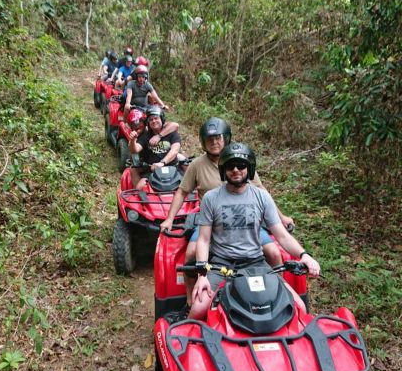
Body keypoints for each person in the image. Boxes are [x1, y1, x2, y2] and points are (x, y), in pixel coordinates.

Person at [160, 118, 295, 303]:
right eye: (210, 139)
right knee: (191, 253)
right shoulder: (197, 165)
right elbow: (182, 191)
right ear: (203, 142)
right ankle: (191, 296)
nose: (215, 143)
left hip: (245, 219)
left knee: (274, 252)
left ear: (226, 139)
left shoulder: (242, 161)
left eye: (218, 138)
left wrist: (282, 217)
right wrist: (169, 218)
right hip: (210, 220)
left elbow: (262, 192)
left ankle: (276, 296)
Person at [190, 143, 320, 319]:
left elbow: (281, 235)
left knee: (299, 308)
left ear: (249, 169)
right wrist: (202, 275)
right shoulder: (211, 198)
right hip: (220, 264)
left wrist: (304, 255)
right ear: (223, 170)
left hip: (255, 263)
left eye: (241, 165)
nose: (236, 170)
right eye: (230, 166)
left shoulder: (262, 197)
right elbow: (204, 240)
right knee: (198, 309)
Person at [128, 106, 181, 189]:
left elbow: (175, 150)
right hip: (152, 171)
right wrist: (132, 140)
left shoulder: (171, 133)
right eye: (151, 120)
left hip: (173, 169)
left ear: (162, 119)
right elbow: (135, 149)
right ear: (148, 123)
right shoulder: (145, 136)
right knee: (139, 188)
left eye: (156, 118)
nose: (154, 121)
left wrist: (162, 163)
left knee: (189, 188)